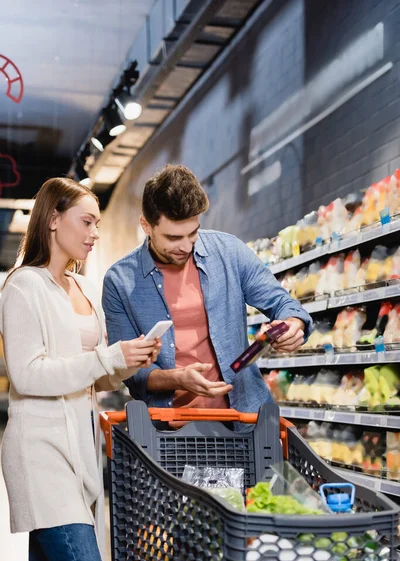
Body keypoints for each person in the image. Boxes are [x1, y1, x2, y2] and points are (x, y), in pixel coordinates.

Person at [0, 178, 161, 561]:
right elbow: (28, 375)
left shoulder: (87, 288)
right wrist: (109, 358)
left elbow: (99, 377)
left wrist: (129, 361)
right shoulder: (23, 286)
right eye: (86, 222)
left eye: (97, 224)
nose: (94, 234)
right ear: (53, 219)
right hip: (41, 453)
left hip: (81, 451)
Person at [102, 164, 312, 418]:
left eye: (192, 234)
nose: (186, 247)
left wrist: (293, 325)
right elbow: (130, 373)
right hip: (169, 429)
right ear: (146, 226)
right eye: (173, 238)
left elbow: (282, 303)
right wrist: (178, 379)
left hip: (244, 418)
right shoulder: (120, 281)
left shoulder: (229, 252)